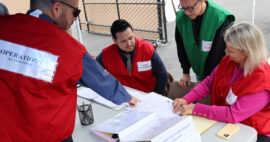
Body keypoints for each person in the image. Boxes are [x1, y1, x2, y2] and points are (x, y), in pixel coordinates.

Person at [0, 0, 139, 141]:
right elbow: (100, 79)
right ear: (57, 8)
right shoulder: (69, 48)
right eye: (75, 12)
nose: (75, 18)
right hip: (49, 136)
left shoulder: (3, 26)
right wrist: (128, 97)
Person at [173, 22, 270, 142]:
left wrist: (194, 109)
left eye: (231, 50)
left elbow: (233, 114)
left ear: (247, 52)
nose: (226, 51)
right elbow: (209, 83)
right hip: (223, 121)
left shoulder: (262, 80)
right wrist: (186, 99)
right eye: (227, 47)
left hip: (253, 132)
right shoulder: (229, 61)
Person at [169, 0, 235, 100]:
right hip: (199, 67)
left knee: (213, 98)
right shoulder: (181, 18)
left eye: (191, 8)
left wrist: (206, 80)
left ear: (202, 1)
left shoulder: (219, 17)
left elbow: (218, 53)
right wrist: (185, 72)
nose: (187, 12)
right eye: (183, 8)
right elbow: (181, 46)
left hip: (218, 71)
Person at [96, 19, 168, 95]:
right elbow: (92, 71)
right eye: (123, 41)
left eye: (130, 38)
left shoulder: (147, 49)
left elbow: (162, 75)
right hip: (122, 97)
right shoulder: (107, 54)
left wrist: (156, 96)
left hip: (147, 95)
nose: (129, 43)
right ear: (115, 41)